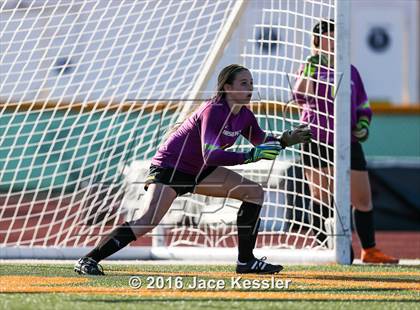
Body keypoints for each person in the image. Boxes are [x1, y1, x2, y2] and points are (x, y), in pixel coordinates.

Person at [74, 64, 312, 275]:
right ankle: (88, 260)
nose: (250, 87)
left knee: (254, 192)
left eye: (251, 83)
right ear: (227, 88)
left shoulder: (245, 116)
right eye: (243, 83)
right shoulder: (214, 110)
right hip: (170, 167)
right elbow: (211, 154)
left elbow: (260, 142)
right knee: (147, 220)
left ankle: (246, 262)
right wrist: (250, 156)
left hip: (199, 170)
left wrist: (283, 140)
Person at [294, 20, 398, 264]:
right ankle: (326, 248)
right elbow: (299, 95)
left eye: (338, 37)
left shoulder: (350, 71)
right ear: (318, 42)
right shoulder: (309, 68)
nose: (335, 42)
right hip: (316, 140)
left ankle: (370, 250)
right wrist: (310, 69)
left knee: (362, 198)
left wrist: (362, 125)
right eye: (329, 37)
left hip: (348, 143)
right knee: (321, 198)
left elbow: (362, 105)